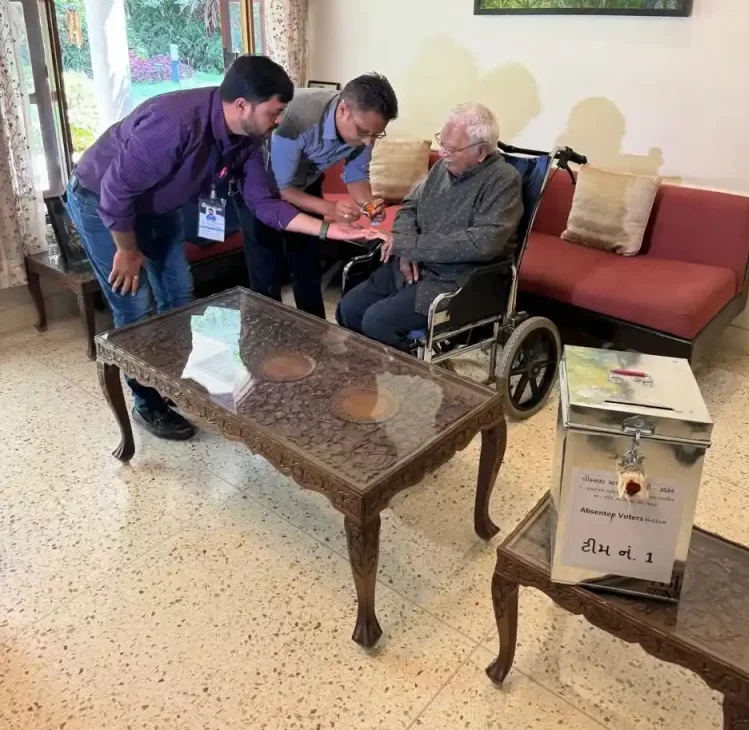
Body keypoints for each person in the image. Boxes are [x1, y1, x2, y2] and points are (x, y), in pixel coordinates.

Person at [66, 55, 377, 441]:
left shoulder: (247, 139)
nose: (280, 121)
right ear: (243, 105)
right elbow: (116, 193)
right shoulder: (175, 123)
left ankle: (170, 383)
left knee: (178, 296)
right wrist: (127, 250)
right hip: (101, 203)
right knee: (135, 306)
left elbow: (265, 203)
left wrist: (329, 231)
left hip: (159, 207)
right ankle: (147, 403)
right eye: (275, 112)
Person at [336, 103, 523, 351]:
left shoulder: (504, 180)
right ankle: (365, 380)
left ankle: (414, 379)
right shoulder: (441, 169)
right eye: (441, 143)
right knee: (348, 310)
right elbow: (408, 208)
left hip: (454, 282)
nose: (442, 153)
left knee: (377, 323)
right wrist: (405, 249)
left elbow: (482, 243)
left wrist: (411, 246)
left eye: (451, 149)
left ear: (480, 152)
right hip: (409, 266)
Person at [237, 73, 399, 319]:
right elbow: (282, 188)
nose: (368, 142)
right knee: (266, 269)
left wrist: (368, 205)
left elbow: (356, 175)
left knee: (307, 264)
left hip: (303, 182)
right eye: (364, 132)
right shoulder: (296, 119)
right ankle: (265, 338)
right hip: (260, 185)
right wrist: (329, 208)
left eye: (376, 135)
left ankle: (315, 333)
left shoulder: (365, 127)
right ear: (343, 109)